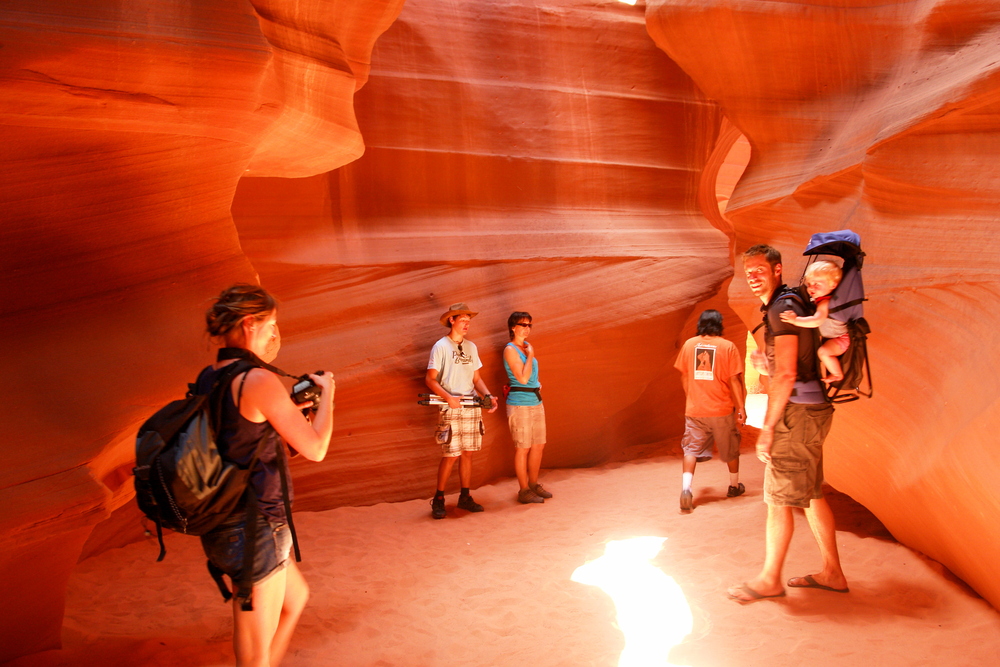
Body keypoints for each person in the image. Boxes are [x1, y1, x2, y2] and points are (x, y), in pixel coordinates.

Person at [199, 284, 335, 666]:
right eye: (271, 325)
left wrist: (289, 410)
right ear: (249, 324)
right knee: (253, 656)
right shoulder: (257, 381)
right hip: (256, 529)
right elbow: (316, 448)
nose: (275, 335)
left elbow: (241, 440)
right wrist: (328, 396)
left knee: (296, 599)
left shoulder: (210, 377)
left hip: (223, 523)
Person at [727, 246, 848, 603]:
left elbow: (788, 373)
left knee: (778, 498)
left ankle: (769, 580)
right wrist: (766, 366)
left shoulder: (782, 307)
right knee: (810, 494)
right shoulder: (791, 303)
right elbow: (792, 363)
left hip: (797, 415)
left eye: (759, 270)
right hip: (812, 410)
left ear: (777, 269)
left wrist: (766, 430)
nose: (752, 276)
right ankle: (832, 573)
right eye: (747, 271)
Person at [426, 303, 498, 519]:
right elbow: (430, 379)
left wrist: (487, 396)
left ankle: (464, 497)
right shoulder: (440, 347)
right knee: (451, 454)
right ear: (452, 320)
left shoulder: (471, 347)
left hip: (471, 405)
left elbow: (476, 378)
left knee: (467, 452)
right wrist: (448, 398)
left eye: (469, 321)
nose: (467, 324)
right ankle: (439, 498)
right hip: (451, 406)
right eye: (463, 320)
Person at [673, 309, 747, 511]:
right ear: (719, 324)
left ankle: (686, 489)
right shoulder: (728, 347)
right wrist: (740, 407)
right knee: (730, 448)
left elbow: (685, 376)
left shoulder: (689, 345)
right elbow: (734, 379)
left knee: (690, 449)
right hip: (721, 409)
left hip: (695, 409)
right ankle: (733, 486)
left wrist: (692, 397)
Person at [503, 311, 552, 504]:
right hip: (519, 404)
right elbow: (522, 378)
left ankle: (533, 484)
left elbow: (530, 377)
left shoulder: (525, 348)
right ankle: (523, 490)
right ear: (513, 327)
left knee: (539, 445)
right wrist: (531, 355)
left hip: (535, 401)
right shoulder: (510, 350)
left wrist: (537, 383)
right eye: (523, 325)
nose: (526, 328)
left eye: (529, 325)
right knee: (522, 448)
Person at [779, 259, 849, 383]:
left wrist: (795, 320)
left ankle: (837, 374)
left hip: (841, 339)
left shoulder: (825, 302)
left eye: (817, 284)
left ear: (833, 285)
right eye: (810, 283)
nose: (812, 287)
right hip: (833, 336)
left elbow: (816, 321)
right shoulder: (820, 299)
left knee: (823, 353)